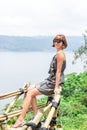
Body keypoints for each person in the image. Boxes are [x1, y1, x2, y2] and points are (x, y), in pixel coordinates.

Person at [12, 34, 67, 128]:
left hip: (52, 82)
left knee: (30, 93)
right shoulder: (59, 53)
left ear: (63, 43)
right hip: (50, 79)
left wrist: (56, 87)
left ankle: (21, 119)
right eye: (55, 41)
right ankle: (36, 116)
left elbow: (58, 72)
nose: (57, 43)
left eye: (59, 41)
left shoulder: (60, 54)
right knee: (30, 89)